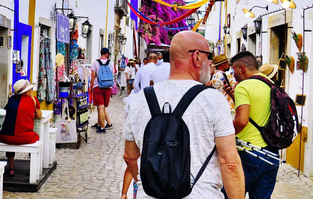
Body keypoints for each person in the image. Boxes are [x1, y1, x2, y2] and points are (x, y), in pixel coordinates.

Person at [124, 31, 244, 198]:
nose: (210, 62)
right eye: (208, 56)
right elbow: (229, 162)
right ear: (196, 57)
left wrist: (146, 182)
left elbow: (130, 156)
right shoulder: (213, 100)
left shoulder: (140, 99)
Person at [223, 51, 279, 199]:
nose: (232, 74)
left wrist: (224, 135)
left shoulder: (243, 86)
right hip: (271, 155)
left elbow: (242, 121)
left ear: (242, 68)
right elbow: (256, 113)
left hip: (248, 153)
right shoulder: (270, 83)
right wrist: (235, 99)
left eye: (233, 69)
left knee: (230, 195)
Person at [0, 79, 42, 177]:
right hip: (25, 137)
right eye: (30, 89)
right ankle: (32, 166)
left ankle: (11, 166)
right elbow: (39, 115)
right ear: (26, 91)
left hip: (5, 137)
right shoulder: (33, 100)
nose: (31, 90)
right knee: (37, 137)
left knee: (10, 132)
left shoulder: (11, 99)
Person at [89, 47, 115, 133]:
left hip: (98, 86)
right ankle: (100, 124)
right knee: (103, 107)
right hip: (108, 87)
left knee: (100, 106)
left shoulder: (95, 63)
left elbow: (93, 75)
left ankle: (102, 127)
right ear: (107, 54)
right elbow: (112, 74)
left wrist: (91, 86)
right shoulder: (110, 63)